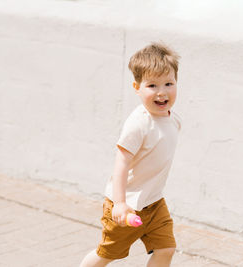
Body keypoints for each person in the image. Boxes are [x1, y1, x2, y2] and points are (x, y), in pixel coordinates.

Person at [80, 42, 181, 267]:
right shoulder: (139, 124)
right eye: (152, 85)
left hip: (154, 203)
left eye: (168, 83)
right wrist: (120, 203)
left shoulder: (173, 119)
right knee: (108, 253)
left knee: (166, 249)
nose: (162, 92)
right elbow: (121, 163)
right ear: (137, 87)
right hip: (127, 205)